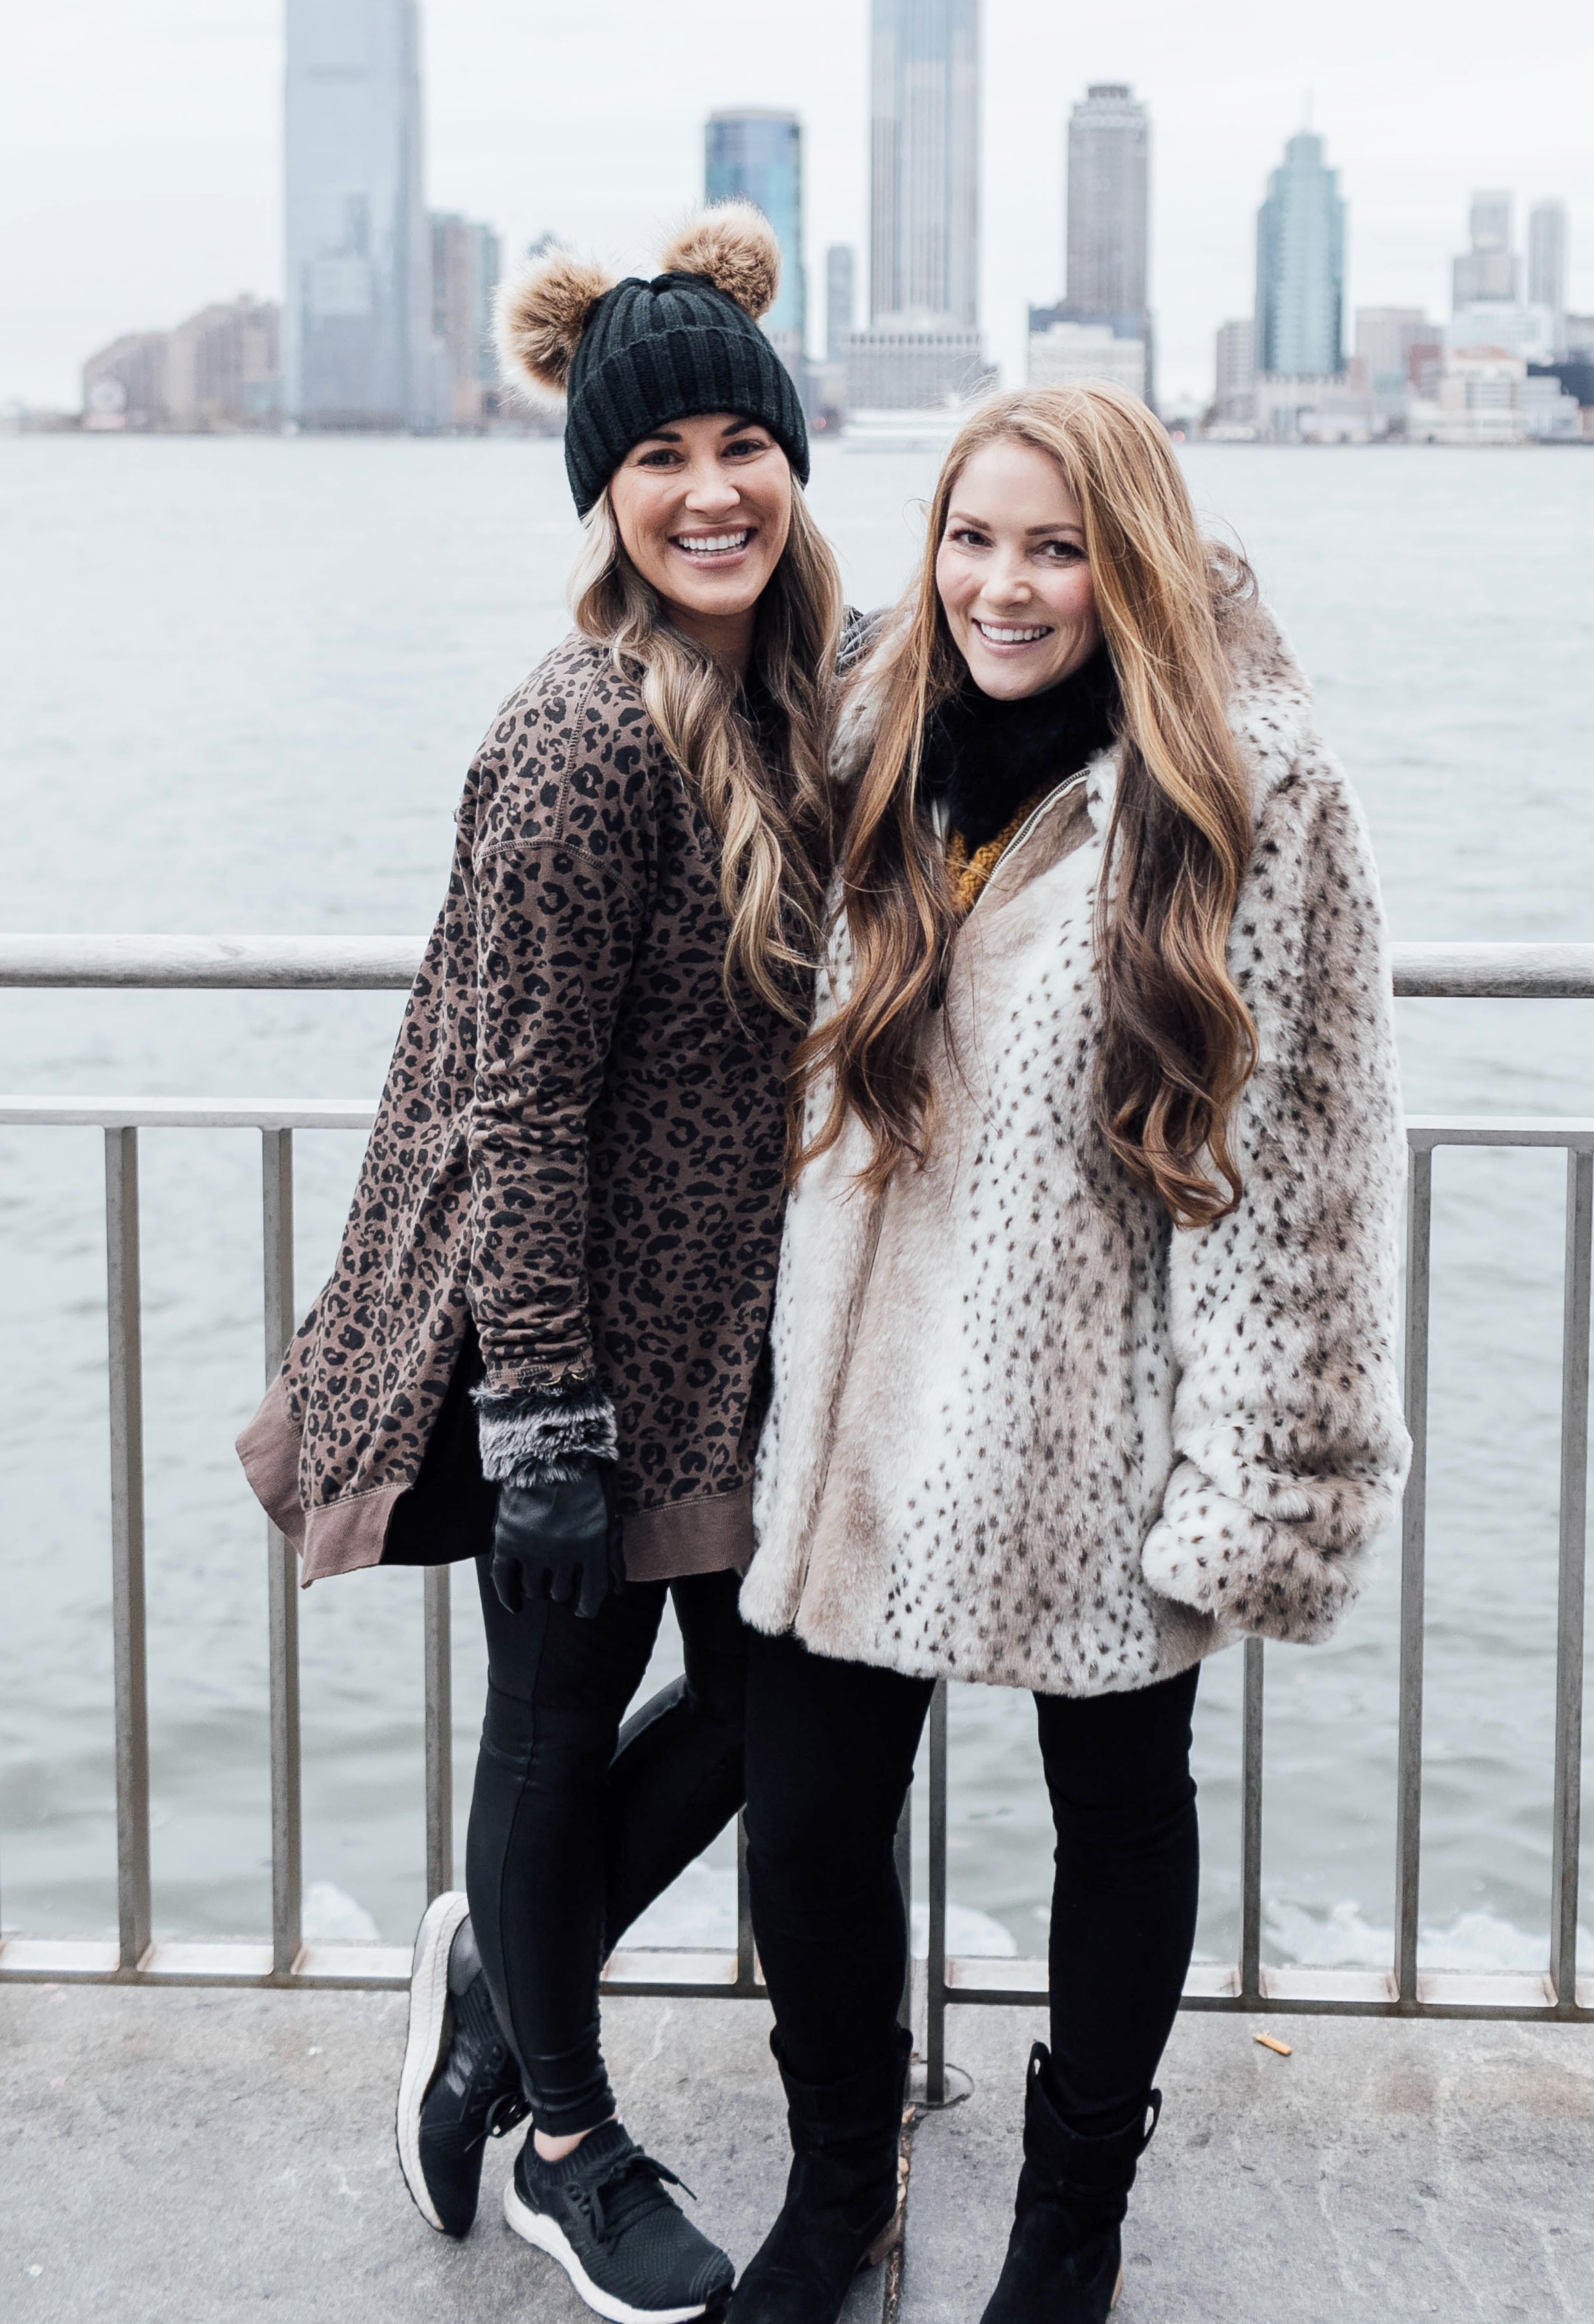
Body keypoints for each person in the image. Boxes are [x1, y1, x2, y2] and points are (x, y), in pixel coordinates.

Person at [732, 383, 1410, 2324]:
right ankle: (840, 2180)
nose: (1002, 585)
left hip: (1086, 1420)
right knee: (802, 1820)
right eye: (969, 537)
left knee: (1117, 1820)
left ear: (1130, 560)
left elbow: (1298, 1164)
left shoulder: (1241, 785)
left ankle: (1068, 2217)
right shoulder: (868, 730)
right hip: (851, 1412)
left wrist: (1255, 1484)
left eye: (1055, 546)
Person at [236, 203, 840, 2322]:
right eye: (657, 454)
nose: (708, 489)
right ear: (604, 492)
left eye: (739, 444)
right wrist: (552, 1422)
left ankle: (502, 1960)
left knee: (795, 1707)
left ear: (790, 457)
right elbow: (516, 1100)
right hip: (559, 1328)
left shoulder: (807, 699)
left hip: (739, 1329)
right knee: (558, 1714)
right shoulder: (580, 736)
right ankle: (565, 2136)